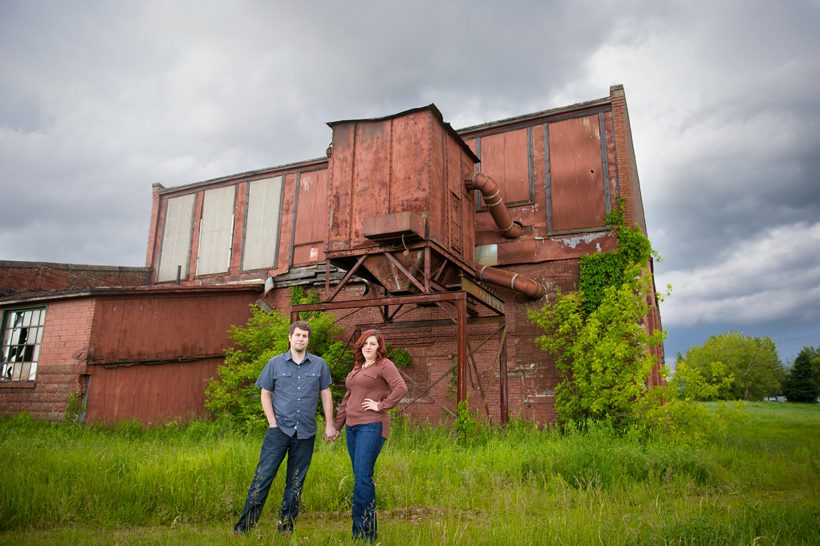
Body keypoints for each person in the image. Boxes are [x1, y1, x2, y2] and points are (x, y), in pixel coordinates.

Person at [233, 320, 338, 535]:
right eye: (297, 335)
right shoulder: (275, 363)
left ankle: (285, 528)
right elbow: (265, 394)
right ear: (290, 338)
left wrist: (329, 425)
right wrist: (272, 424)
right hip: (279, 431)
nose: (301, 339)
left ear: (308, 340)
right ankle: (243, 528)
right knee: (262, 478)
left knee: (296, 483)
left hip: (306, 433)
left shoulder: (319, 365)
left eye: (305, 336)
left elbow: (326, 394)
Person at [334, 329, 408, 542]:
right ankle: (359, 533)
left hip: (372, 426)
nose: (368, 347)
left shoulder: (384, 365)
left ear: (379, 348)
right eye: (366, 343)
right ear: (361, 346)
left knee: (363, 478)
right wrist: (337, 427)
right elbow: (348, 398)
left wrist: (381, 405)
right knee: (360, 478)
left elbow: (401, 388)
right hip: (352, 428)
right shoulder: (358, 367)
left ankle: (367, 534)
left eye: (373, 344)